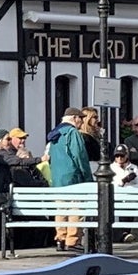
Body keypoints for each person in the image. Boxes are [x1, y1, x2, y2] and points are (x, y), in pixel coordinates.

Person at [46, 107, 94, 252]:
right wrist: (88, 178)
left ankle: (60, 239)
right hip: (73, 177)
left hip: (58, 178)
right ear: (75, 118)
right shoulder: (72, 133)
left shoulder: (55, 134)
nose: (81, 122)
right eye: (81, 118)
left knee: (61, 209)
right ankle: (72, 241)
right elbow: (80, 156)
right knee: (76, 210)